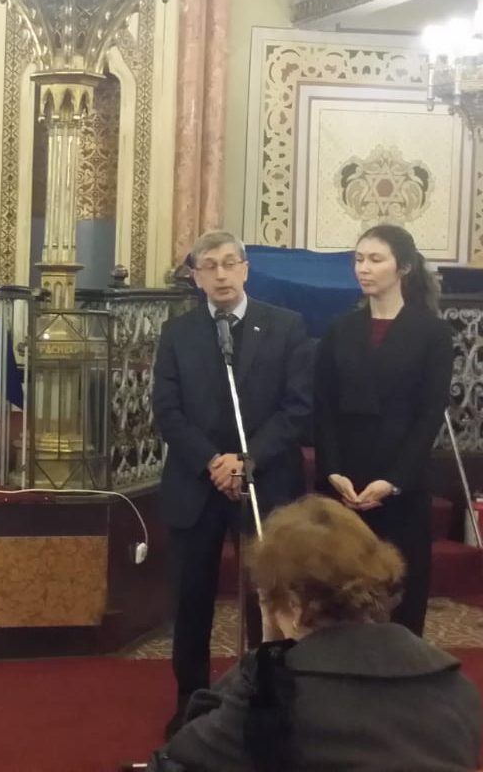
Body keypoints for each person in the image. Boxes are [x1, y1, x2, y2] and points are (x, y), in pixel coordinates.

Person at [152, 495, 481, 772]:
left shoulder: (270, 698)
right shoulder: (455, 687)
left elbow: (183, 749)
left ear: (294, 604)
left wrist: (264, 654)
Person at [152, 230, 312, 737]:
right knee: (191, 600)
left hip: (264, 480)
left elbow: (296, 408)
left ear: (245, 268)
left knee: (266, 597)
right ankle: (191, 700)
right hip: (196, 484)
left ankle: (265, 697)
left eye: (229, 263)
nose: (220, 275)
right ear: (196, 276)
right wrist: (212, 462)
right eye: (209, 266)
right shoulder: (177, 332)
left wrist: (248, 460)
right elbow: (167, 410)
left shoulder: (285, 326)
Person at [314, 224, 453, 637]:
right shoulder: (340, 329)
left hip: (400, 485)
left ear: (403, 267)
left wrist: (393, 482)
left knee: (400, 601)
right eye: (359, 259)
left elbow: (429, 415)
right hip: (344, 483)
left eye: (375, 259)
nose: (364, 268)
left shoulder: (432, 333)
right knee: (338, 599)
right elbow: (323, 407)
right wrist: (332, 471)